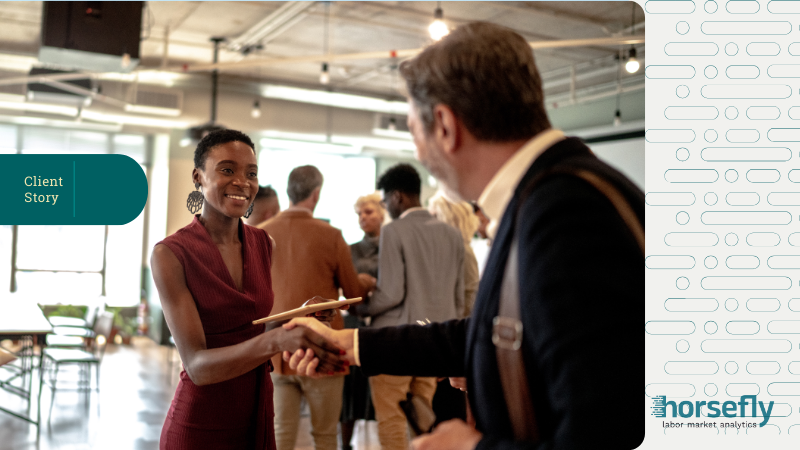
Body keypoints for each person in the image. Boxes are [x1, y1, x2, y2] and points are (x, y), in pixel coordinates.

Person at [282, 21, 644, 450]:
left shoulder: (567, 213)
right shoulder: (549, 194)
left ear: (445, 126)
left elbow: (605, 430)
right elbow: (484, 331)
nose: (418, 152)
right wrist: (346, 344)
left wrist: (470, 448)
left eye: (414, 130)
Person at [150, 130, 347, 450]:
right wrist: (277, 339)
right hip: (201, 423)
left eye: (251, 173)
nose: (243, 181)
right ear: (198, 177)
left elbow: (251, 331)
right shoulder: (171, 254)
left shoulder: (263, 243)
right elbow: (197, 366)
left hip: (257, 412)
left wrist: (298, 317)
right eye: (227, 170)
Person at [259, 165, 375, 450]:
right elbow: (351, 293)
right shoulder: (332, 236)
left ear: (288, 192)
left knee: (280, 435)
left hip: (277, 349)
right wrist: (365, 281)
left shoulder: (260, 234)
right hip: (324, 349)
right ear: (316, 194)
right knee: (324, 435)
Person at [354, 163, 464, 450]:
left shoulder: (394, 231)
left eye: (386, 199)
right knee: (423, 416)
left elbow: (391, 292)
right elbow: (459, 296)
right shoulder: (452, 234)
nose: (386, 206)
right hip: (435, 343)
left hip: (395, 341)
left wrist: (361, 310)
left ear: (398, 197)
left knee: (391, 417)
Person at [340, 192, 384, 450]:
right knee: (350, 390)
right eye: (358, 214)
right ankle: (346, 445)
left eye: (367, 212)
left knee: (384, 393)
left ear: (382, 213)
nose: (362, 218)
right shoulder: (350, 249)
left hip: (384, 323)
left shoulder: (395, 246)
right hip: (354, 323)